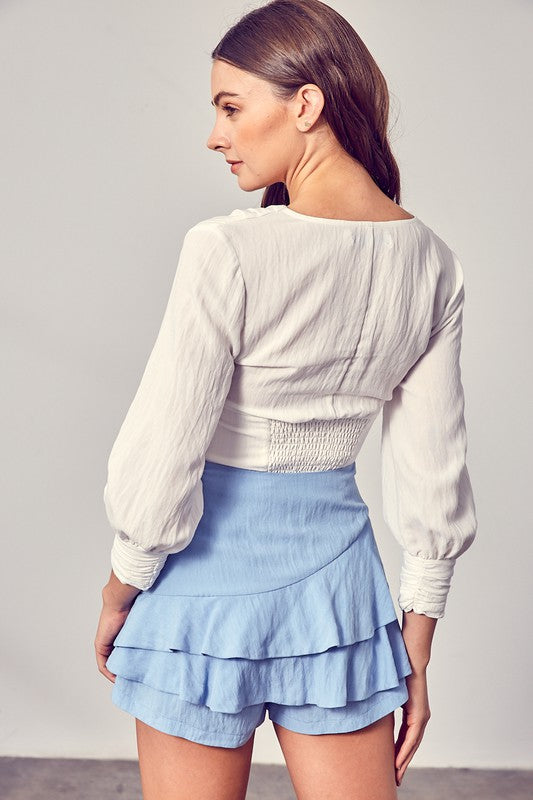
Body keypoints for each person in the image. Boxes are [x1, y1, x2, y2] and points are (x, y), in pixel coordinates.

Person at [94, 1, 478, 798]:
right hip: (338, 594)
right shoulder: (433, 263)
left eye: (230, 107)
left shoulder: (227, 247)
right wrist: (417, 643)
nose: (215, 134)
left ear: (304, 105)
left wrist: (121, 581)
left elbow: (169, 441)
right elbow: (431, 472)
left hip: (200, 587)